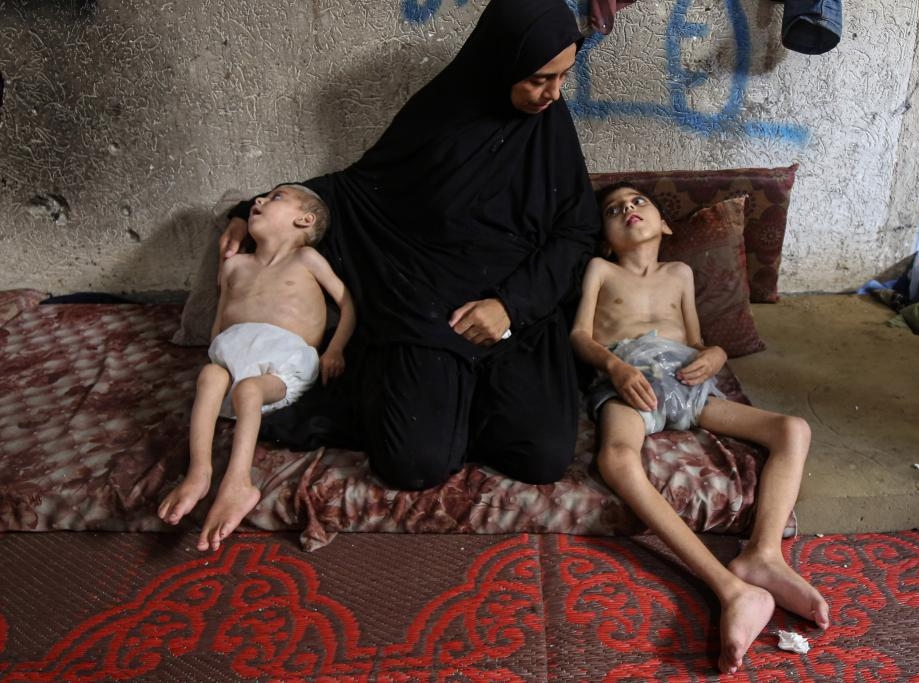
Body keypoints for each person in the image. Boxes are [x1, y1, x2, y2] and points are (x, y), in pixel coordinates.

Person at [218, 0, 600, 490]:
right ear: (500, 62)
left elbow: (576, 230)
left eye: (564, 76)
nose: (554, 93)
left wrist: (510, 306)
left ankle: (461, 400)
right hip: (428, 305)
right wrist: (247, 212)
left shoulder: (550, 128)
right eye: (538, 79)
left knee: (540, 457)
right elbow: (356, 191)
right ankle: (447, 403)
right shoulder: (441, 114)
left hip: (517, 311)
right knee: (413, 464)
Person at [570, 182, 829, 674]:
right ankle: (729, 588)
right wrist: (615, 368)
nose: (628, 209)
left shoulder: (680, 274)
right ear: (605, 237)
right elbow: (580, 335)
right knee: (617, 459)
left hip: (688, 380)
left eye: (638, 202)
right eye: (614, 209)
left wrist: (717, 354)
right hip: (630, 379)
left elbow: (695, 340)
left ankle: (764, 556)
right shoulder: (601, 270)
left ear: (664, 225)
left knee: (793, 429)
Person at [159, 184, 356, 551]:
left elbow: (347, 304)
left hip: (284, 362)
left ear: (304, 220)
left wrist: (334, 350)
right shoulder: (234, 265)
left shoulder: (306, 258)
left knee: (249, 389)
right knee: (209, 375)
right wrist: (217, 356)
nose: (260, 200)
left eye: (276, 197)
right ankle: (199, 473)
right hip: (232, 355)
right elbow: (220, 321)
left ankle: (238, 482)